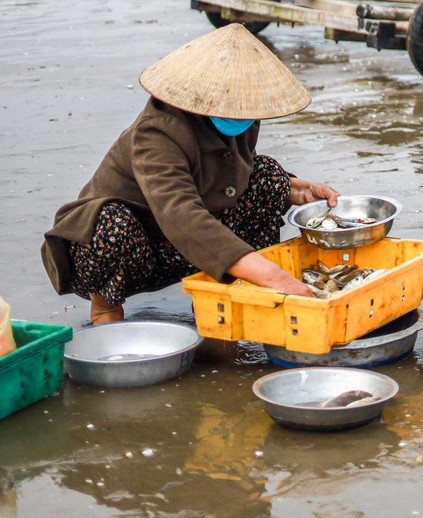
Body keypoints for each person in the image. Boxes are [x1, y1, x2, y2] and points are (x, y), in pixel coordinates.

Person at [41, 25, 339, 325]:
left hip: (186, 247)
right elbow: (182, 216)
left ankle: (222, 299)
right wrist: (276, 278)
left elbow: (236, 167)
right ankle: (105, 309)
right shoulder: (156, 133)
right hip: (132, 246)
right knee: (109, 225)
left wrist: (293, 188)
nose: (242, 113)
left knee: (270, 177)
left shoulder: (245, 116)